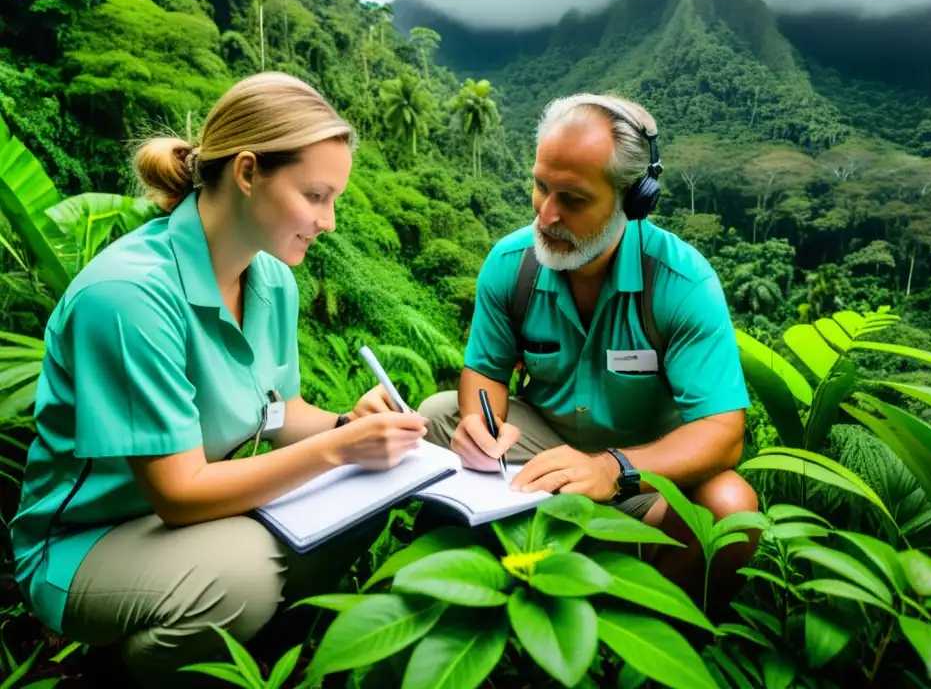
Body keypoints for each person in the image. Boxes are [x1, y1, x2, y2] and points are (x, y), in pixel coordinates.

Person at [9, 72, 428, 686]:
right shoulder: (129, 296)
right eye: (315, 195)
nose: (329, 220)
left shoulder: (271, 279)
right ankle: (131, 673)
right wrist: (337, 449)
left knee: (360, 499)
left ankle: (251, 652)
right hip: (85, 544)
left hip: (193, 517)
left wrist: (347, 425)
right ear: (249, 172)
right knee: (243, 575)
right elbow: (179, 494)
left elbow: (279, 410)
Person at [418, 93, 759, 612]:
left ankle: (641, 629)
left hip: (643, 484)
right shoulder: (512, 265)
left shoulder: (681, 284)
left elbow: (722, 432)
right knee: (439, 415)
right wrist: (481, 424)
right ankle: (481, 581)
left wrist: (613, 468)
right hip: (543, 456)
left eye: (573, 200)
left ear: (631, 200)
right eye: (540, 186)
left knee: (730, 507)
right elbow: (485, 371)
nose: (546, 214)